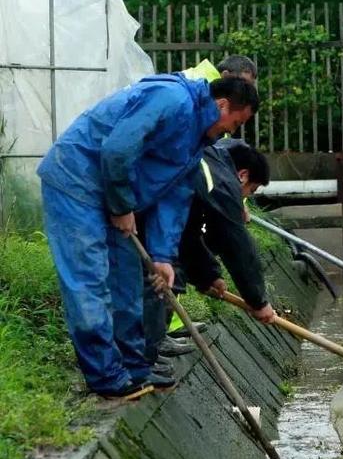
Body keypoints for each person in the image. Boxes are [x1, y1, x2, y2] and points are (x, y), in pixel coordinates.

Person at [37, 74, 259, 399]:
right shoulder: (172, 99)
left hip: (115, 193)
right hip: (77, 180)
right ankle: (107, 377)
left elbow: (173, 199)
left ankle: (134, 366)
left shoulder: (196, 143)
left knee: (126, 280)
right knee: (89, 280)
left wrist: (162, 256)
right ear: (222, 105)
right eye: (236, 122)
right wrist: (121, 205)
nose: (232, 132)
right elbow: (116, 149)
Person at [145, 55, 258, 356]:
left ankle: (155, 339)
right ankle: (148, 349)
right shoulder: (195, 95)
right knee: (161, 262)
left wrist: (208, 274)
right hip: (150, 193)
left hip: (169, 193)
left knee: (173, 249)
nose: (232, 130)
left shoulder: (200, 95)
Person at [145, 140, 276, 377]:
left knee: (174, 269)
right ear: (243, 176)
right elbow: (235, 244)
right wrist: (258, 301)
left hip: (171, 229)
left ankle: (154, 343)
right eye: (251, 191)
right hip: (148, 224)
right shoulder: (220, 180)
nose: (246, 197)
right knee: (160, 277)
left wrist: (209, 276)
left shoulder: (215, 160)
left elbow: (190, 236)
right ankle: (145, 357)